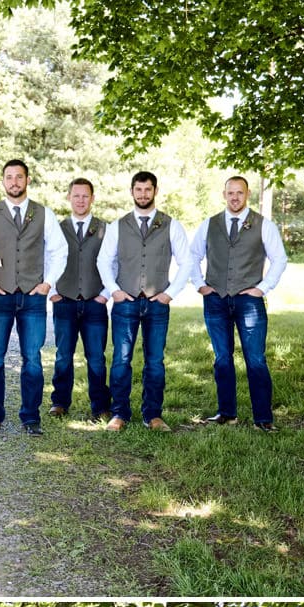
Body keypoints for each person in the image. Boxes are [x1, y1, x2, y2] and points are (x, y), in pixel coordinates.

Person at [189, 175, 288, 431]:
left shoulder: (264, 225)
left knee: (255, 359)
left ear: (248, 194)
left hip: (249, 301)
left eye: (239, 193)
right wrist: (200, 285)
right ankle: (226, 413)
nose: (235, 197)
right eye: (230, 193)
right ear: (224, 195)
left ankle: (263, 419)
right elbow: (192, 255)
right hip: (216, 300)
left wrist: (262, 288)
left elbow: (279, 259)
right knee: (222, 358)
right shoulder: (209, 224)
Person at [0, 160, 66, 437]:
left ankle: (31, 417)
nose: (14, 182)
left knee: (32, 359)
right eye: (9, 177)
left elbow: (59, 251)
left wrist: (48, 283)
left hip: (33, 298)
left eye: (19, 177)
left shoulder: (44, 214)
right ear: (2, 181)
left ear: (28, 180)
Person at [97, 171, 191, 431]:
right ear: (132, 192)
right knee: (121, 360)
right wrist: (114, 290)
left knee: (155, 361)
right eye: (138, 190)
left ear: (155, 191)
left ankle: (153, 415)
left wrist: (170, 293)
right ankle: (119, 413)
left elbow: (186, 262)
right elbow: (104, 261)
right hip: (125, 302)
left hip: (157, 303)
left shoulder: (171, 225)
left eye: (147, 189)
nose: (142, 194)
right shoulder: (118, 226)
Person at [48, 178, 111, 421]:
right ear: (69, 197)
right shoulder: (58, 228)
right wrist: (52, 291)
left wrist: (105, 294)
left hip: (95, 302)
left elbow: (115, 262)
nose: (81, 200)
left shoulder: (105, 229)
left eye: (85, 196)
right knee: (63, 355)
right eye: (76, 195)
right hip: (64, 300)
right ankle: (60, 402)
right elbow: (46, 259)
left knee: (96, 358)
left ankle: (100, 406)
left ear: (92, 198)